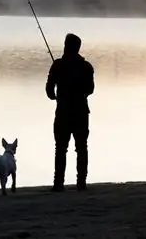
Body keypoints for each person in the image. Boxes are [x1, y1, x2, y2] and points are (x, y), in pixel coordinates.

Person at [45, 33, 95, 192]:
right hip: (81, 112)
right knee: (81, 147)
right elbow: (90, 89)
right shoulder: (86, 67)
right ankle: (81, 183)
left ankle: (58, 183)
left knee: (60, 148)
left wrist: (56, 95)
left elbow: (49, 90)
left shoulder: (58, 65)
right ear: (78, 47)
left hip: (63, 113)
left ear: (66, 46)